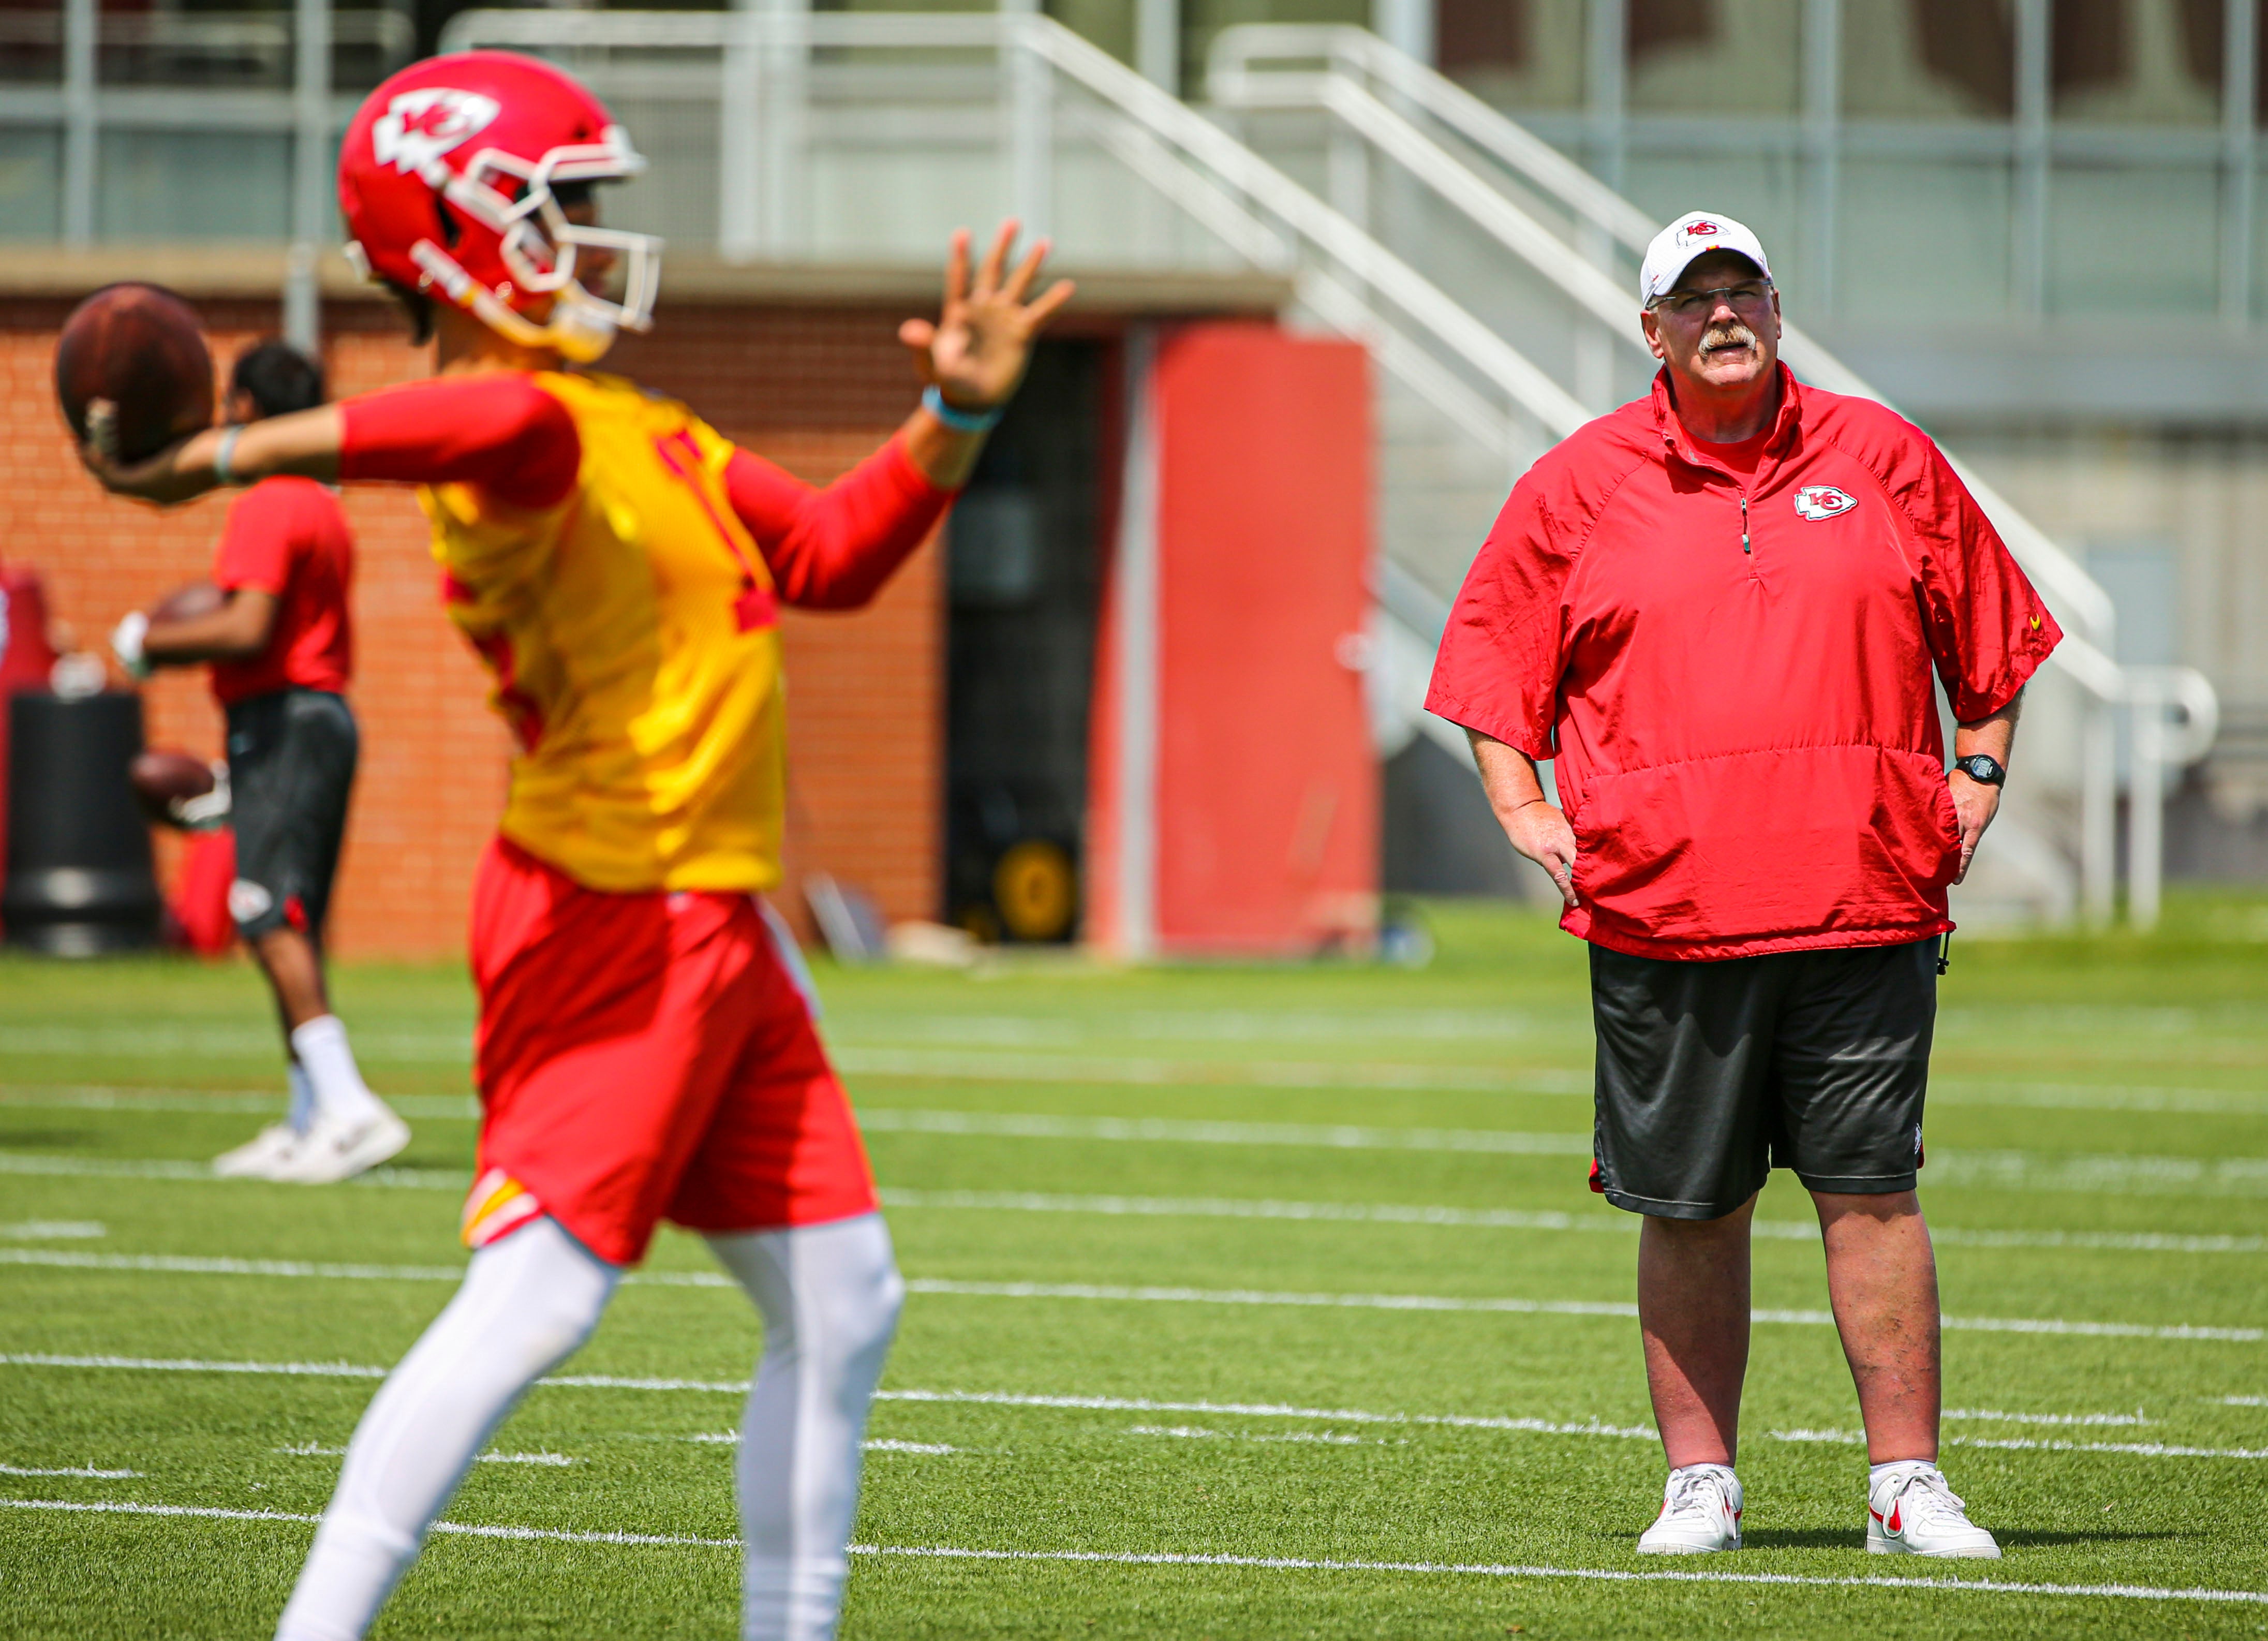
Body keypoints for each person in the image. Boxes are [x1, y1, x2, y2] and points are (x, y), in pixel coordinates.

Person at [82, 50, 1070, 1641]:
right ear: (463, 233)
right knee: (538, 1293)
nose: (598, 238)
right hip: (611, 910)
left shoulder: (634, 424)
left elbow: (827, 553)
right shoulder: (522, 425)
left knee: (844, 1296)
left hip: (716, 914)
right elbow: (451, 414)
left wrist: (955, 406)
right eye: (566, 208)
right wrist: (200, 461)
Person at [1427, 211, 2060, 1560]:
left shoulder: (1881, 455)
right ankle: (1701, 1482)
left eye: (1744, 288)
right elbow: (1490, 664)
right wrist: (1520, 802)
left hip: (1866, 892)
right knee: (1691, 1202)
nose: (1723, 311)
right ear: (1649, 328)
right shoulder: (1577, 483)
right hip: (1668, 908)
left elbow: (1995, 636)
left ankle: (1906, 1484)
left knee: (1872, 1189)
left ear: (1776, 308)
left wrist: (1981, 769)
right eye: (1692, 295)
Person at [110, 339, 410, 1185]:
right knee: (279, 918)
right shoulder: (316, 499)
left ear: (244, 407)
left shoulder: (271, 501)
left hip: (286, 718)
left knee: (269, 914)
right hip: (300, 720)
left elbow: (246, 629)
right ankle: (309, 1113)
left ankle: (350, 1108)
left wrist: (150, 644)